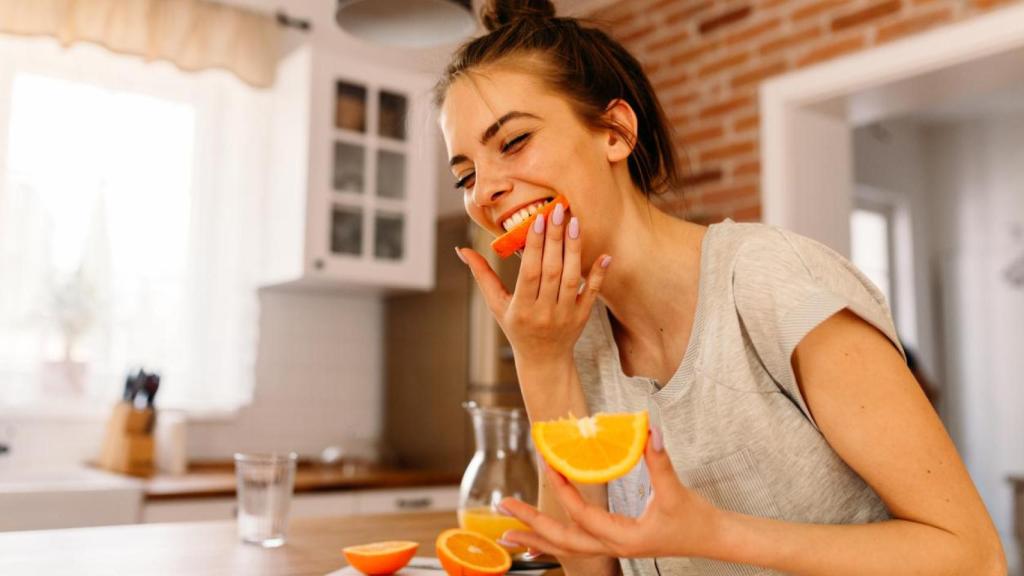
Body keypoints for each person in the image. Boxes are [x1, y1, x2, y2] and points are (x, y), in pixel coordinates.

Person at [440, 1, 1005, 574]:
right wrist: (540, 360)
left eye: (512, 143)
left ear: (615, 131)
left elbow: (973, 556)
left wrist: (716, 533)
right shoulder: (573, 338)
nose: (485, 191)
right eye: (465, 175)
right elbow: (589, 565)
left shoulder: (774, 280)